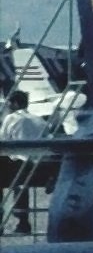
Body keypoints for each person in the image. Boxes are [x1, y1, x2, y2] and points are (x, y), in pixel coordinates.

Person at [1, 90, 48, 233]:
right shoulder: (39, 120)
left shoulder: (12, 118)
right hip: (39, 167)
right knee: (21, 185)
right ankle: (22, 222)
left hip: (19, 165)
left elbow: (3, 140)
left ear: (15, 103)